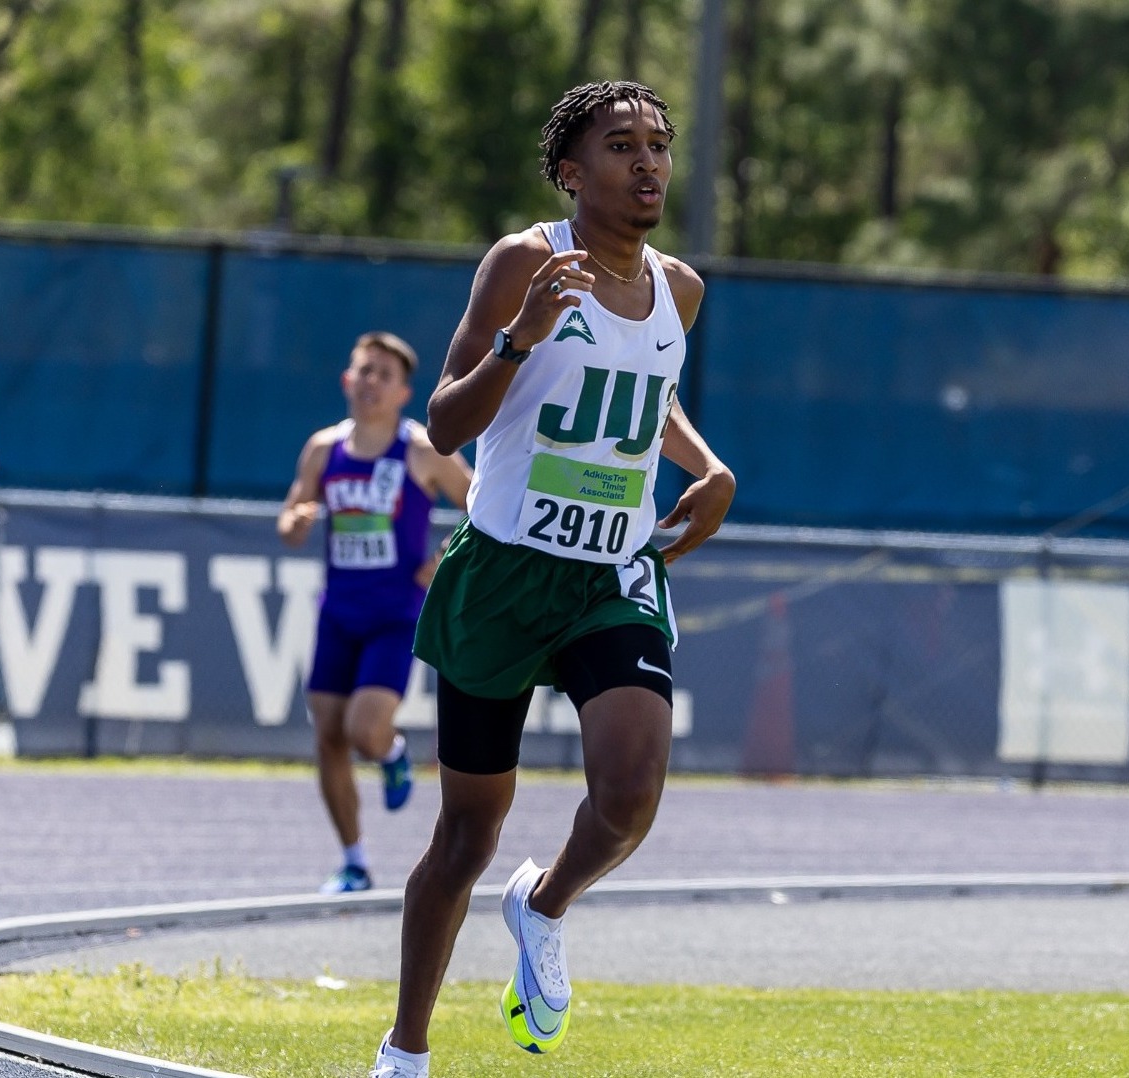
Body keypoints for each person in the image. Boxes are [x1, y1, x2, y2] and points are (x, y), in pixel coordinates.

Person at [368, 81, 735, 1077]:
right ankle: (404, 1049)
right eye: (621, 146)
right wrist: (517, 336)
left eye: (658, 144)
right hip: (502, 574)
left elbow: (645, 397)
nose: (648, 162)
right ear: (572, 174)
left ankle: (543, 903)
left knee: (628, 794)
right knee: (462, 835)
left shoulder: (680, 290)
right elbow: (443, 423)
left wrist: (704, 469)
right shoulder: (524, 263)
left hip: (611, 572)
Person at [277, 332, 472, 895]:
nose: (371, 383)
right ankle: (354, 860)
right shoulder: (323, 450)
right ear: (346, 379)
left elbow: (485, 506)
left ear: (403, 392)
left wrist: (441, 559)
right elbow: (291, 519)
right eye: (364, 371)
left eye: (384, 375)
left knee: (363, 730)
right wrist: (297, 522)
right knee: (328, 738)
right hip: (338, 611)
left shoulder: (423, 451)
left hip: (395, 613)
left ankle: (390, 752)